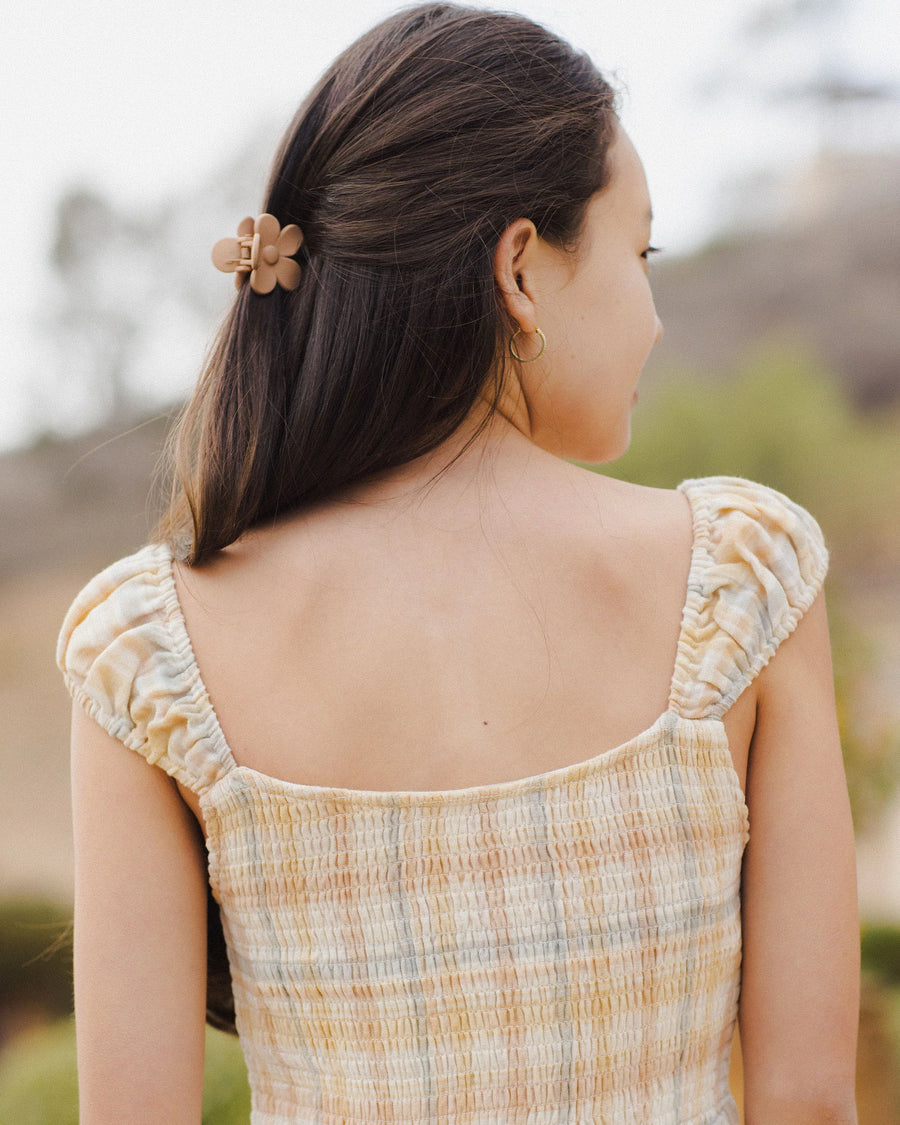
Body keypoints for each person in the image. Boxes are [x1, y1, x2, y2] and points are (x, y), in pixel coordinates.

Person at [57, 3, 860, 1122]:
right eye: (640, 253)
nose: (658, 319)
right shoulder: (741, 584)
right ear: (521, 270)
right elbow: (809, 1100)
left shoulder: (149, 652)